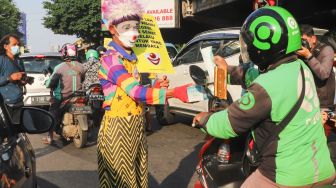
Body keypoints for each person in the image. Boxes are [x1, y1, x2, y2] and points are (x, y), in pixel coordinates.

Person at [194, 6, 335, 187]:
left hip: (286, 175)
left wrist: (204, 119)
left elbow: (228, 124)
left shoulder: (267, 85)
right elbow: (250, 74)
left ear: (263, 46)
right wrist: (226, 71)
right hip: (323, 169)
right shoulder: (301, 68)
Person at [99, 0, 189, 187]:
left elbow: (138, 93)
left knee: (139, 179)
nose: (134, 33)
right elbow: (136, 92)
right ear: (112, 29)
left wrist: (157, 86)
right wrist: (173, 93)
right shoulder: (111, 60)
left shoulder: (132, 59)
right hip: (118, 129)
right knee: (122, 183)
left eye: (136, 27)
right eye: (127, 28)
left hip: (137, 126)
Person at [44, 43, 85, 144]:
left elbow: (50, 83)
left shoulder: (59, 67)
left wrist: (47, 83)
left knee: (52, 113)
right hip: (80, 96)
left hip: (63, 97)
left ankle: (50, 137)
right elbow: (84, 80)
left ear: (64, 53)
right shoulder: (82, 67)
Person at [0, 34, 27, 124]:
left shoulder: (19, 61)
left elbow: (21, 78)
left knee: (18, 131)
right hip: (5, 104)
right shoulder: (1, 60)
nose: (17, 47)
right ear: (5, 46)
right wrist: (9, 78)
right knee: (7, 132)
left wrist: (23, 81)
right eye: (14, 45)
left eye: (18, 45)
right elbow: (9, 78)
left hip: (19, 101)